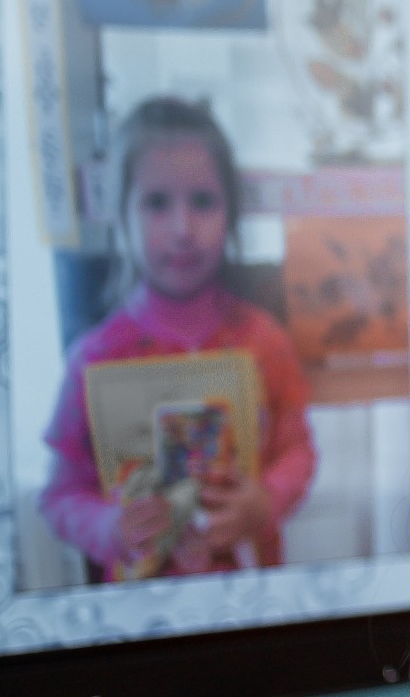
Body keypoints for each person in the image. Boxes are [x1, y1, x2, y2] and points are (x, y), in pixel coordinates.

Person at [40, 96, 316, 582]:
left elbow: (298, 451)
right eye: (156, 203)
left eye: (203, 201)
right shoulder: (95, 358)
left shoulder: (263, 341)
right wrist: (107, 527)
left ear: (230, 213)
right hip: (144, 610)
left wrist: (265, 500)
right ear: (122, 215)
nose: (183, 229)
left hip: (255, 599)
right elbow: (61, 494)